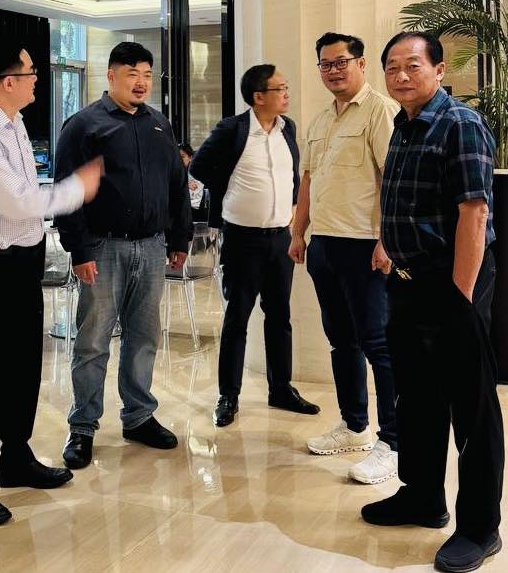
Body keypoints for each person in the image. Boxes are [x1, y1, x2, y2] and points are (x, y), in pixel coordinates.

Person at [362, 32, 504, 573]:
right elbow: (399, 199)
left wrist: (461, 296)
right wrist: (387, 246)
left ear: (439, 70)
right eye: (392, 67)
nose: (401, 75)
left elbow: (474, 211)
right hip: (406, 282)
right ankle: (422, 497)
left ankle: (481, 528)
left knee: (472, 408)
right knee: (417, 399)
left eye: (413, 65)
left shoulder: (460, 123)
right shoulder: (403, 123)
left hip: (451, 285)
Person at [0, 41, 103, 526]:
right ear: (9, 81)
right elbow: (17, 201)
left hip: (19, 265)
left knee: (23, 372)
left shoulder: (12, 123)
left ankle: (14, 458)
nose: (38, 78)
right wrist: (76, 189)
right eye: (32, 71)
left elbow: (25, 197)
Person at [54, 41, 192, 469]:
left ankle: (139, 416)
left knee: (144, 337)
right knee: (93, 342)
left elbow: (176, 184)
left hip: (151, 247)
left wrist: (180, 238)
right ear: (111, 75)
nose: (141, 82)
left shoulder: (158, 124)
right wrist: (79, 249)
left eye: (147, 75)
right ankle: (83, 426)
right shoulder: (84, 125)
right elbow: (68, 191)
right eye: (132, 74)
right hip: (103, 248)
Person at [289, 32, 400, 484]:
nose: (333, 70)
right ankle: (355, 426)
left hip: (364, 246)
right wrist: (299, 231)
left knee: (378, 344)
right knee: (341, 341)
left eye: (341, 62)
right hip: (325, 245)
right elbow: (308, 180)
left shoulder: (380, 111)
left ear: (361, 64)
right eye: (326, 64)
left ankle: (394, 441)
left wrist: (387, 240)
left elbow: (392, 179)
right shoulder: (320, 120)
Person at [190, 64, 320, 427]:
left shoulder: (287, 128)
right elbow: (199, 167)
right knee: (238, 318)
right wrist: (229, 189)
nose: (287, 94)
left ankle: (281, 389)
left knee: (280, 317)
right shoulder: (232, 129)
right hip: (242, 239)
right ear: (258, 96)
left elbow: (291, 175)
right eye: (280, 88)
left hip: (280, 238)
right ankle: (228, 396)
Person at [178, 143, 208, 222]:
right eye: (177, 157)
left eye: (182, 157)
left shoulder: (196, 170)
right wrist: (186, 185)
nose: (179, 160)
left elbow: (193, 191)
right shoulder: (176, 171)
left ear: (190, 158)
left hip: (194, 211)